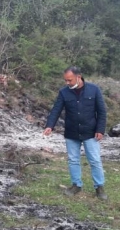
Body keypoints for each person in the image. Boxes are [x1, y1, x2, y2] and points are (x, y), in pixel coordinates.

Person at [43, 66, 108, 200]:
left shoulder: (94, 89)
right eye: (66, 80)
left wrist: (100, 129)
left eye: (70, 80)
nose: (67, 83)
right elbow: (56, 109)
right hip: (71, 132)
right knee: (73, 160)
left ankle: (99, 187)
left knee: (95, 160)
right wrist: (50, 125)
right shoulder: (63, 92)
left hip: (91, 132)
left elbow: (102, 112)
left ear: (78, 77)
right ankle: (76, 185)